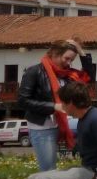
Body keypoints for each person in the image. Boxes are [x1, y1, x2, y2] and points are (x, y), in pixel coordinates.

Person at [25, 81, 97, 179]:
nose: (61, 106)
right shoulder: (84, 119)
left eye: (63, 102)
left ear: (71, 103)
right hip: (87, 170)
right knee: (32, 178)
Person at [17, 39, 93, 172]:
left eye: (71, 60)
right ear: (56, 53)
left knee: (96, 127)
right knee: (49, 169)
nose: (69, 63)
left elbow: (89, 76)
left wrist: (81, 51)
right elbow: (22, 101)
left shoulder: (69, 74)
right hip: (43, 126)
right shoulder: (34, 72)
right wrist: (53, 106)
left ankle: (92, 172)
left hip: (66, 120)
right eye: (67, 58)